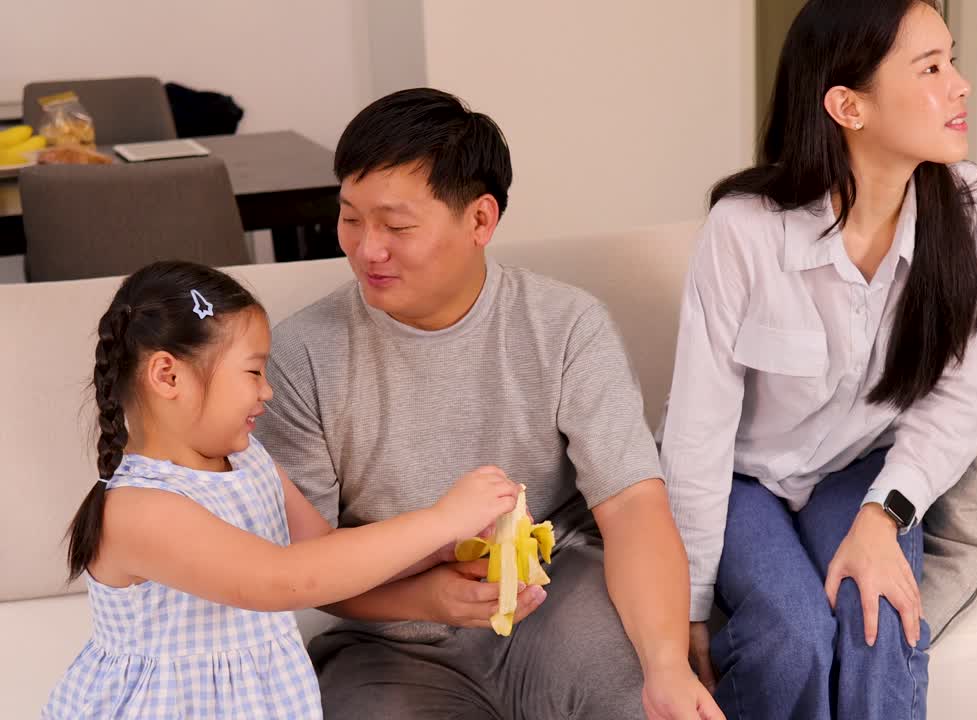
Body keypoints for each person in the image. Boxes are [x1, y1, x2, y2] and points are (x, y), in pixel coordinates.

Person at [255, 88, 721, 720]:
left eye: (396, 226)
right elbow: (306, 567)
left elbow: (634, 505)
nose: (367, 249)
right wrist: (426, 599)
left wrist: (665, 663)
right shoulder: (298, 354)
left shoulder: (565, 326)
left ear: (480, 220)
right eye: (351, 218)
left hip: (554, 603)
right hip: (390, 641)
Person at [659, 1, 977, 718]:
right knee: (792, 635)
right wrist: (689, 601)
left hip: (860, 470)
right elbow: (700, 427)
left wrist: (884, 516)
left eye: (953, 59)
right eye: (931, 68)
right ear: (848, 106)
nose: (961, 84)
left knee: (880, 614)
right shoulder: (744, 231)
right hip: (744, 479)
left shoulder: (976, 211)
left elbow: (961, 396)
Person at [44, 261, 519, 719]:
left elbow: (323, 551)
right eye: (253, 372)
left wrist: (436, 552)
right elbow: (283, 579)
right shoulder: (136, 510)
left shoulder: (250, 460)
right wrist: (439, 518)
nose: (267, 391)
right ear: (168, 376)